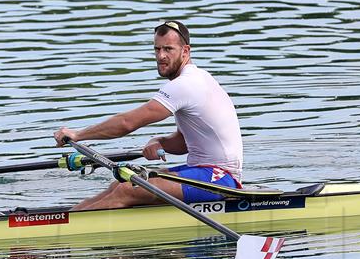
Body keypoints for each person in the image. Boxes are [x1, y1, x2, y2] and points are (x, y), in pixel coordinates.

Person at [53, 20, 243, 211]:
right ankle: (63, 219)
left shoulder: (187, 84)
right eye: (157, 49)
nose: (161, 56)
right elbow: (185, 142)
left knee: (127, 190)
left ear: (185, 51)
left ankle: (61, 230)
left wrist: (78, 135)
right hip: (202, 172)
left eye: (168, 49)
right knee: (120, 185)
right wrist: (160, 141)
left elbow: (127, 123)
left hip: (220, 179)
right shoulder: (197, 79)